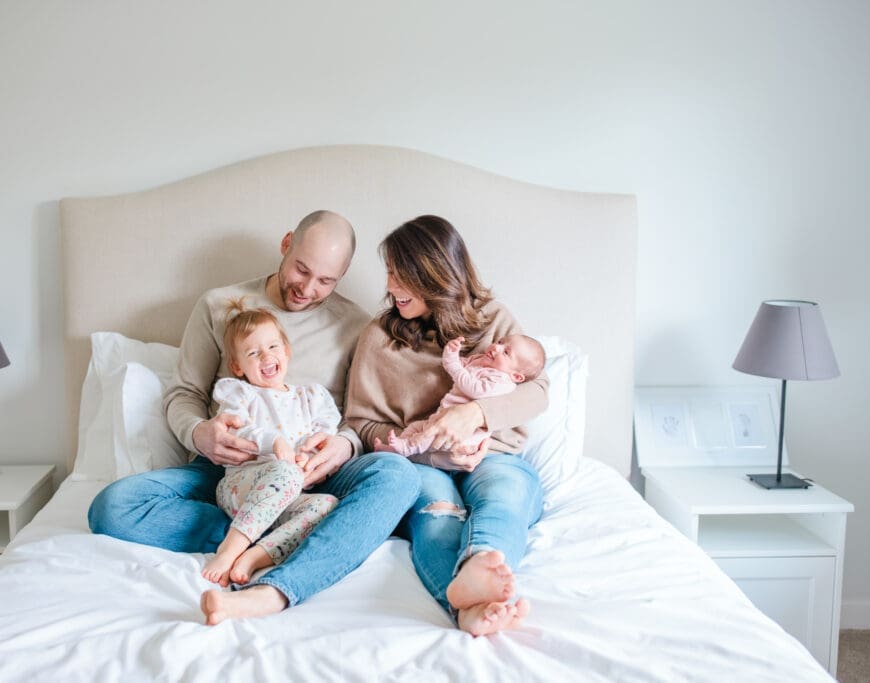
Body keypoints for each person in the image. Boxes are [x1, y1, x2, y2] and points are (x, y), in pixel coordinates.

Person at [87, 210, 419, 625]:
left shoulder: (355, 326)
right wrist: (200, 434)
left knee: (399, 474)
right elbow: (185, 394)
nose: (309, 288)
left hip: (314, 471)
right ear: (285, 245)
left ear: (343, 275)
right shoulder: (219, 304)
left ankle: (274, 583)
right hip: (231, 468)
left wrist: (344, 444)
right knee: (112, 507)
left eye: (326, 281)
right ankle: (286, 533)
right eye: (301, 269)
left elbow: (361, 417)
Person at [345, 215, 549, 637]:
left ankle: (480, 565)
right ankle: (468, 608)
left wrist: (474, 415)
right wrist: (431, 448)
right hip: (422, 461)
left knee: (505, 497)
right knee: (437, 515)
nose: (389, 286)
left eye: (400, 275)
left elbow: (538, 391)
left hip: (493, 456)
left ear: (435, 274)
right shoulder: (380, 338)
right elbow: (360, 422)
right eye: (389, 273)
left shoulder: (494, 321)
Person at [202, 300, 341, 586]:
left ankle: (256, 556)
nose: (266, 355)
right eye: (253, 352)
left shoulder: (310, 397)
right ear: (237, 367)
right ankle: (229, 549)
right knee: (286, 471)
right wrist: (273, 441)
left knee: (327, 505)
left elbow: (325, 433)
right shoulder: (242, 396)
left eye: (273, 347)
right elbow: (233, 433)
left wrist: (309, 454)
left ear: (287, 352)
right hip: (241, 487)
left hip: (284, 498)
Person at [379, 334, 546, 456]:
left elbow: (474, 388)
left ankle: (406, 448)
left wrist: (455, 367)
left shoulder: (502, 381)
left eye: (506, 352)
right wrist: (452, 353)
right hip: (443, 418)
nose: (496, 347)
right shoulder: (482, 361)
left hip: (464, 434)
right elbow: (460, 365)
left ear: (516, 376)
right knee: (415, 428)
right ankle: (395, 449)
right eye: (500, 342)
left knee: (426, 435)